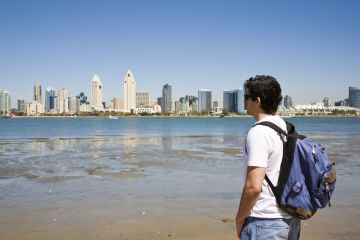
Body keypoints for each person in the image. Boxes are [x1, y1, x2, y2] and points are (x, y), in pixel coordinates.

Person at [236, 75, 301, 239]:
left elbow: (253, 187)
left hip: (265, 222)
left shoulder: (258, 133)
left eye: (246, 97)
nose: (244, 102)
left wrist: (239, 218)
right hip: (290, 219)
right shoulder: (284, 126)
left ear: (257, 101)